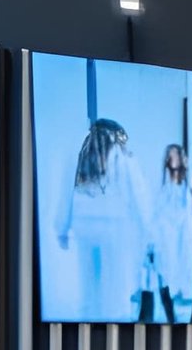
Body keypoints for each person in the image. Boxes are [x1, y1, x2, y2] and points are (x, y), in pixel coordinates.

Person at [55, 117, 146, 321]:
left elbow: (66, 193)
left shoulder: (80, 153)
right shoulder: (122, 155)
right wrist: (146, 232)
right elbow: (137, 195)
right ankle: (114, 325)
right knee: (114, 286)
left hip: (84, 225)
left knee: (88, 283)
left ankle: (87, 323)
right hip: (114, 226)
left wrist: (62, 228)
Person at [151, 143, 192, 320]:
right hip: (166, 234)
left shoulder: (189, 182)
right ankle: (170, 314)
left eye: (176, 155)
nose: (173, 158)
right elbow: (157, 211)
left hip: (183, 233)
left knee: (182, 271)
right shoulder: (163, 184)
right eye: (170, 155)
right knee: (165, 272)